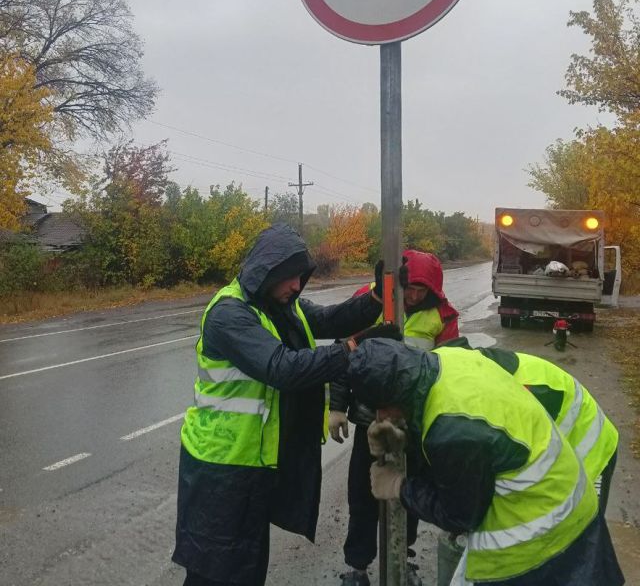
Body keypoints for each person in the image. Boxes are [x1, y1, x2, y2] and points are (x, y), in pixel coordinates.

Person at [172, 223, 402, 586]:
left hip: (250, 465)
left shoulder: (279, 306)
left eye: (300, 278)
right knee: (214, 572)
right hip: (219, 470)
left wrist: (377, 295)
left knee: (246, 570)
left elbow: (331, 319)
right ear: (268, 271)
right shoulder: (230, 315)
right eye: (291, 277)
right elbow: (281, 368)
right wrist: (353, 349)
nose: (298, 286)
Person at [348, 339, 624, 586]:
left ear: (388, 401)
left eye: (379, 409)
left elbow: (458, 515)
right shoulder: (448, 360)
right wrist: (407, 439)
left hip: (545, 523)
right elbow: (470, 442)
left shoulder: (453, 432)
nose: (380, 415)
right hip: (556, 478)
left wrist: (399, 487)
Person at [329, 250, 459, 585]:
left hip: (414, 423)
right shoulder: (372, 306)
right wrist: (337, 407)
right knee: (362, 494)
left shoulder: (440, 317)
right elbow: (344, 357)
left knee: (410, 492)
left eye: (421, 289)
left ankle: (405, 557)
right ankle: (357, 566)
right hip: (368, 418)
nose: (414, 295)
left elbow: (452, 368)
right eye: (409, 288)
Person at [464, 343, 619, 512]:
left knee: (585, 521)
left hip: (593, 453)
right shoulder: (495, 371)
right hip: (561, 454)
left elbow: (525, 457)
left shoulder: (529, 391)